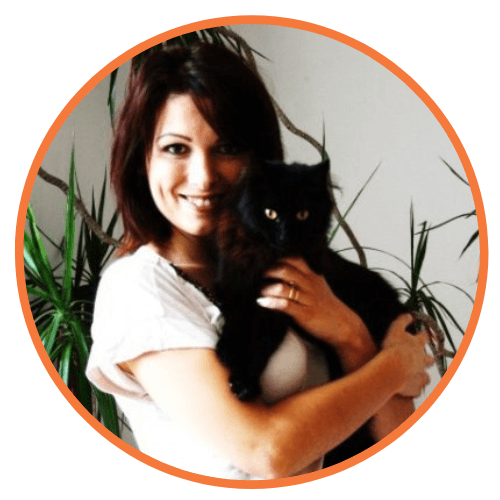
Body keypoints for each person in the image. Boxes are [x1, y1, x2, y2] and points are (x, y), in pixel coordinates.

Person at [86, 42, 433, 480]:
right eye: (176, 148)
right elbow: (267, 452)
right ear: (142, 160)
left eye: (227, 148)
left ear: (258, 159)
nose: (204, 176)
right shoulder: (139, 289)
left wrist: (350, 337)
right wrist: (395, 364)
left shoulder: (289, 266)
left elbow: (392, 429)